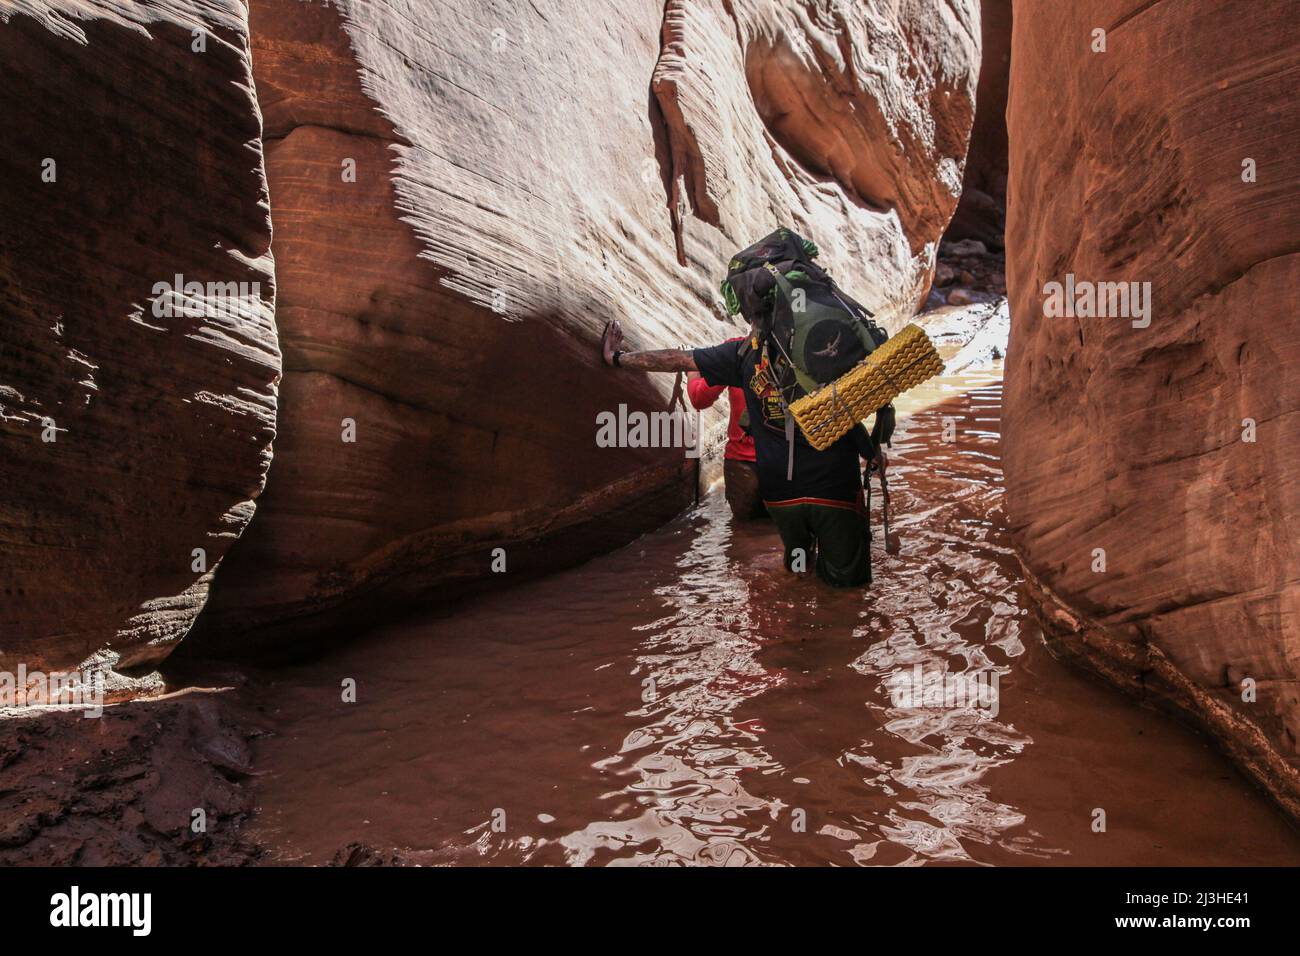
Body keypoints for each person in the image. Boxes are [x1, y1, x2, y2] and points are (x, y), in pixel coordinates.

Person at [601, 317, 875, 587]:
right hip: (812, 480)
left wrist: (619, 358)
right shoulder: (817, 351)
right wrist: (871, 449)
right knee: (821, 564)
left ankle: (782, 604)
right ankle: (820, 615)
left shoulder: (740, 351)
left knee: (751, 543)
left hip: (756, 477)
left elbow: (697, 396)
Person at [686, 337, 765, 522]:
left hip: (743, 467)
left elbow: (700, 398)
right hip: (787, 464)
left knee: (742, 540)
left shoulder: (738, 350)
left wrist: (692, 368)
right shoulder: (797, 350)